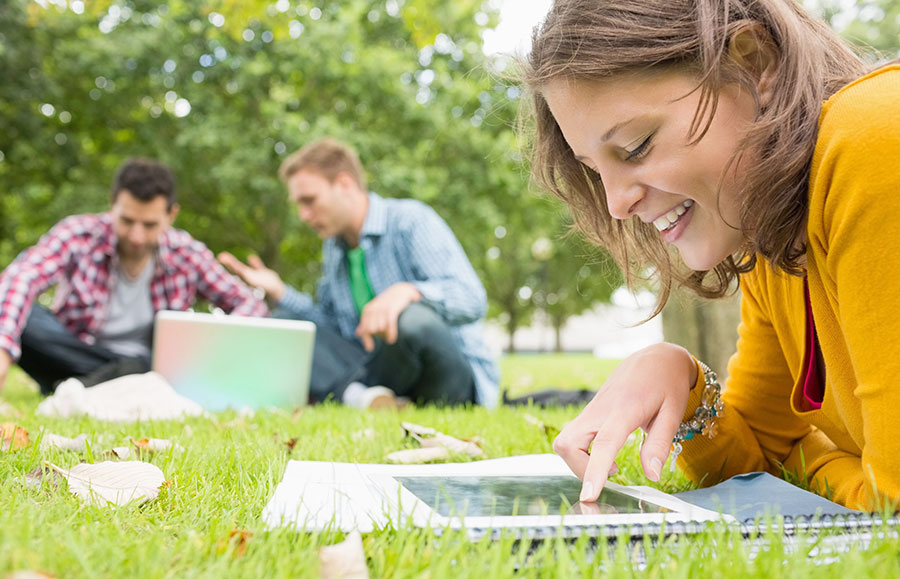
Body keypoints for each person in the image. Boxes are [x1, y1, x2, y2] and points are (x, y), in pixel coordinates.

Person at [523, 0, 900, 510]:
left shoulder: (876, 137)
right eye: (594, 170)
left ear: (754, 64)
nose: (617, 205)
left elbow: (891, 500)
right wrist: (683, 382)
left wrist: (827, 465)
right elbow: (762, 461)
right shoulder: (774, 240)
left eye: (636, 147)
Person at [219, 138, 499, 408]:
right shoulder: (334, 249)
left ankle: (364, 398)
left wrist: (409, 292)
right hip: (382, 371)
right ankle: (372, 401)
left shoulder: (411, 221)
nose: (303, 215)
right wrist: (279, 291)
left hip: (445, 377)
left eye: (310, 200)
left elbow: (472, 299)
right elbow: (327, 326)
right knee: (284, 323)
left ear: (345, 184)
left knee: (412, 320)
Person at [0, 158, 268, 395]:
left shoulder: (187, 253)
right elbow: (23, 276)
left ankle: (77, 386)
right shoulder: (79, 233)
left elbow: (251, 303)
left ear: (171, 215)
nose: (136, 236)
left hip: (149, 365)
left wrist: (210, 346)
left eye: (149, 225)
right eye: (127, 221)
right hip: (76, 352)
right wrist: (2, 348)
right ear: (112, 204)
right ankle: (97, 383)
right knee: (30, 319)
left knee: (145, 365)